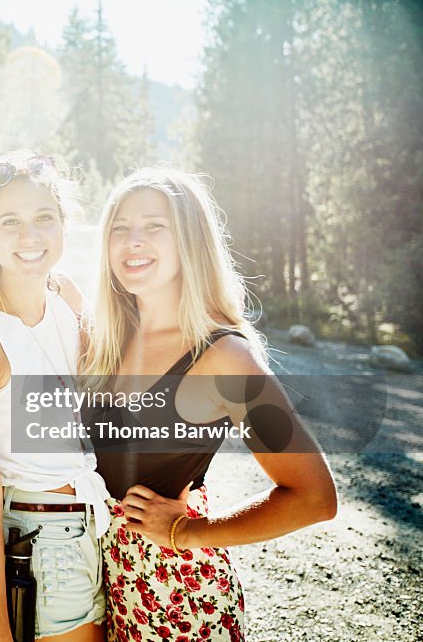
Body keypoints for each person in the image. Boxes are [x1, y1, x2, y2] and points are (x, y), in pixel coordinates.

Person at [84, 167, 337, 642]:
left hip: (176, 597)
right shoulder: (106, 339)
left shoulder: (224, 357)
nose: (132, 241)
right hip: (101, 585)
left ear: (190, 241)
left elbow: (314, 497)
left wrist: (190, 532)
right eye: (120, 228)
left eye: (153, 226)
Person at [0, 151, 111, 642]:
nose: (30, 236)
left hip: (96, 529)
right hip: (41, 544)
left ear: (64, 223)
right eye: (10, 222)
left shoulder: (67, 297)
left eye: (44, 218)